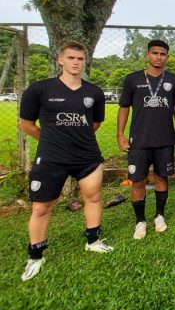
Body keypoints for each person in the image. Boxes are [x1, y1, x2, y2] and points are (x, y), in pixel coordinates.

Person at [19, 41, 113, 281]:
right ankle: (36, 255)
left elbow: (94, 124)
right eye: (71, 58)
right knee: (41, 207)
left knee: (93, 197)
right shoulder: (40, 89)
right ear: (60, 60)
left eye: (80, 59)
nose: (76, 63)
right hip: (52, 157)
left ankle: (93, 240)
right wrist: (49, 138)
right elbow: (26, 124)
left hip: (87, 156)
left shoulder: (94, 93)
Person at [117, 39, 175, 240]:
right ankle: (140, 221)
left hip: (164, 140)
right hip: (139, 141)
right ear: (147, 54)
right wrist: (120, 134)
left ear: (167, 57)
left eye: (163, 54)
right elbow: (124, 108)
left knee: (162, 177)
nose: (159, 57)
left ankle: (159, 215)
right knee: (138, 181)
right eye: (155, 53)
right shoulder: (132, 79)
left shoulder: (173, 80)